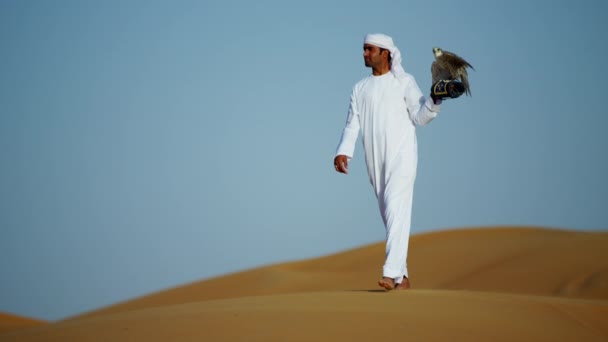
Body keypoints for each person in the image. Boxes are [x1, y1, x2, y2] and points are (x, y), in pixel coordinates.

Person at [334, 33, 441, 290]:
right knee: (391, 214)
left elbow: (420, 117)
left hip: (402, 157)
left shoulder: (404, 82)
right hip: (375, 160)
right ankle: (402, 278)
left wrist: (436, 99)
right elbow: (352, 125)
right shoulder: (359, 89)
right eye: (363, 49)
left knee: (395, 207)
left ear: (385, 52)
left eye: (369, 49)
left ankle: (390, 273)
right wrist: (342, 152)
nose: (364, 54)